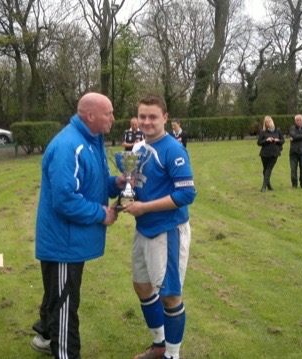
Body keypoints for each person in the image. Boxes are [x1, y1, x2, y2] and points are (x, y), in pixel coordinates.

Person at [31, 92, 125, 358]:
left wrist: (115, 183)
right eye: (109, 113)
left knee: (61, 294)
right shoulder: (68, 146)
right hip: (63, 244)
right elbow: (65, 199)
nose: (113, 118)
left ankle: (43, 334)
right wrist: (100, 214)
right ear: (90, 116)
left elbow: (91, 183)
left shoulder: (93, 141)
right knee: (65, 306)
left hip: (70, 243)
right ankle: (64, 352)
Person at [123, 94, 196, 359]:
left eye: (153, 116)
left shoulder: (173, 149)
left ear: (165, 117)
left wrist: (144, 207)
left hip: (167, 232)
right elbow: (137, 184)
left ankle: (172, 356)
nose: (147, 121)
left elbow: (186, 195)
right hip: (143, 229)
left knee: (169, 296)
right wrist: (128, 198)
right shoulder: (138, 148)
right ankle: (159, 345)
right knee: (142, 286)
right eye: (142, 116)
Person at [257, 116, 284, 192]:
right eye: (267, 122)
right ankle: (269, 186)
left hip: (274, 153)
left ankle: (264, 186)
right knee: (265, 170)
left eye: (269, 121)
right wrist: (266, 140)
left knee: (269, 169)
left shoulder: (278, 130)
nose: (269, 123)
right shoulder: (263, 132)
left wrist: (278, 140)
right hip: (265, 154)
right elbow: (259, 143)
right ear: (265, 124)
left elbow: (283, 140)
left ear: (272, 121)